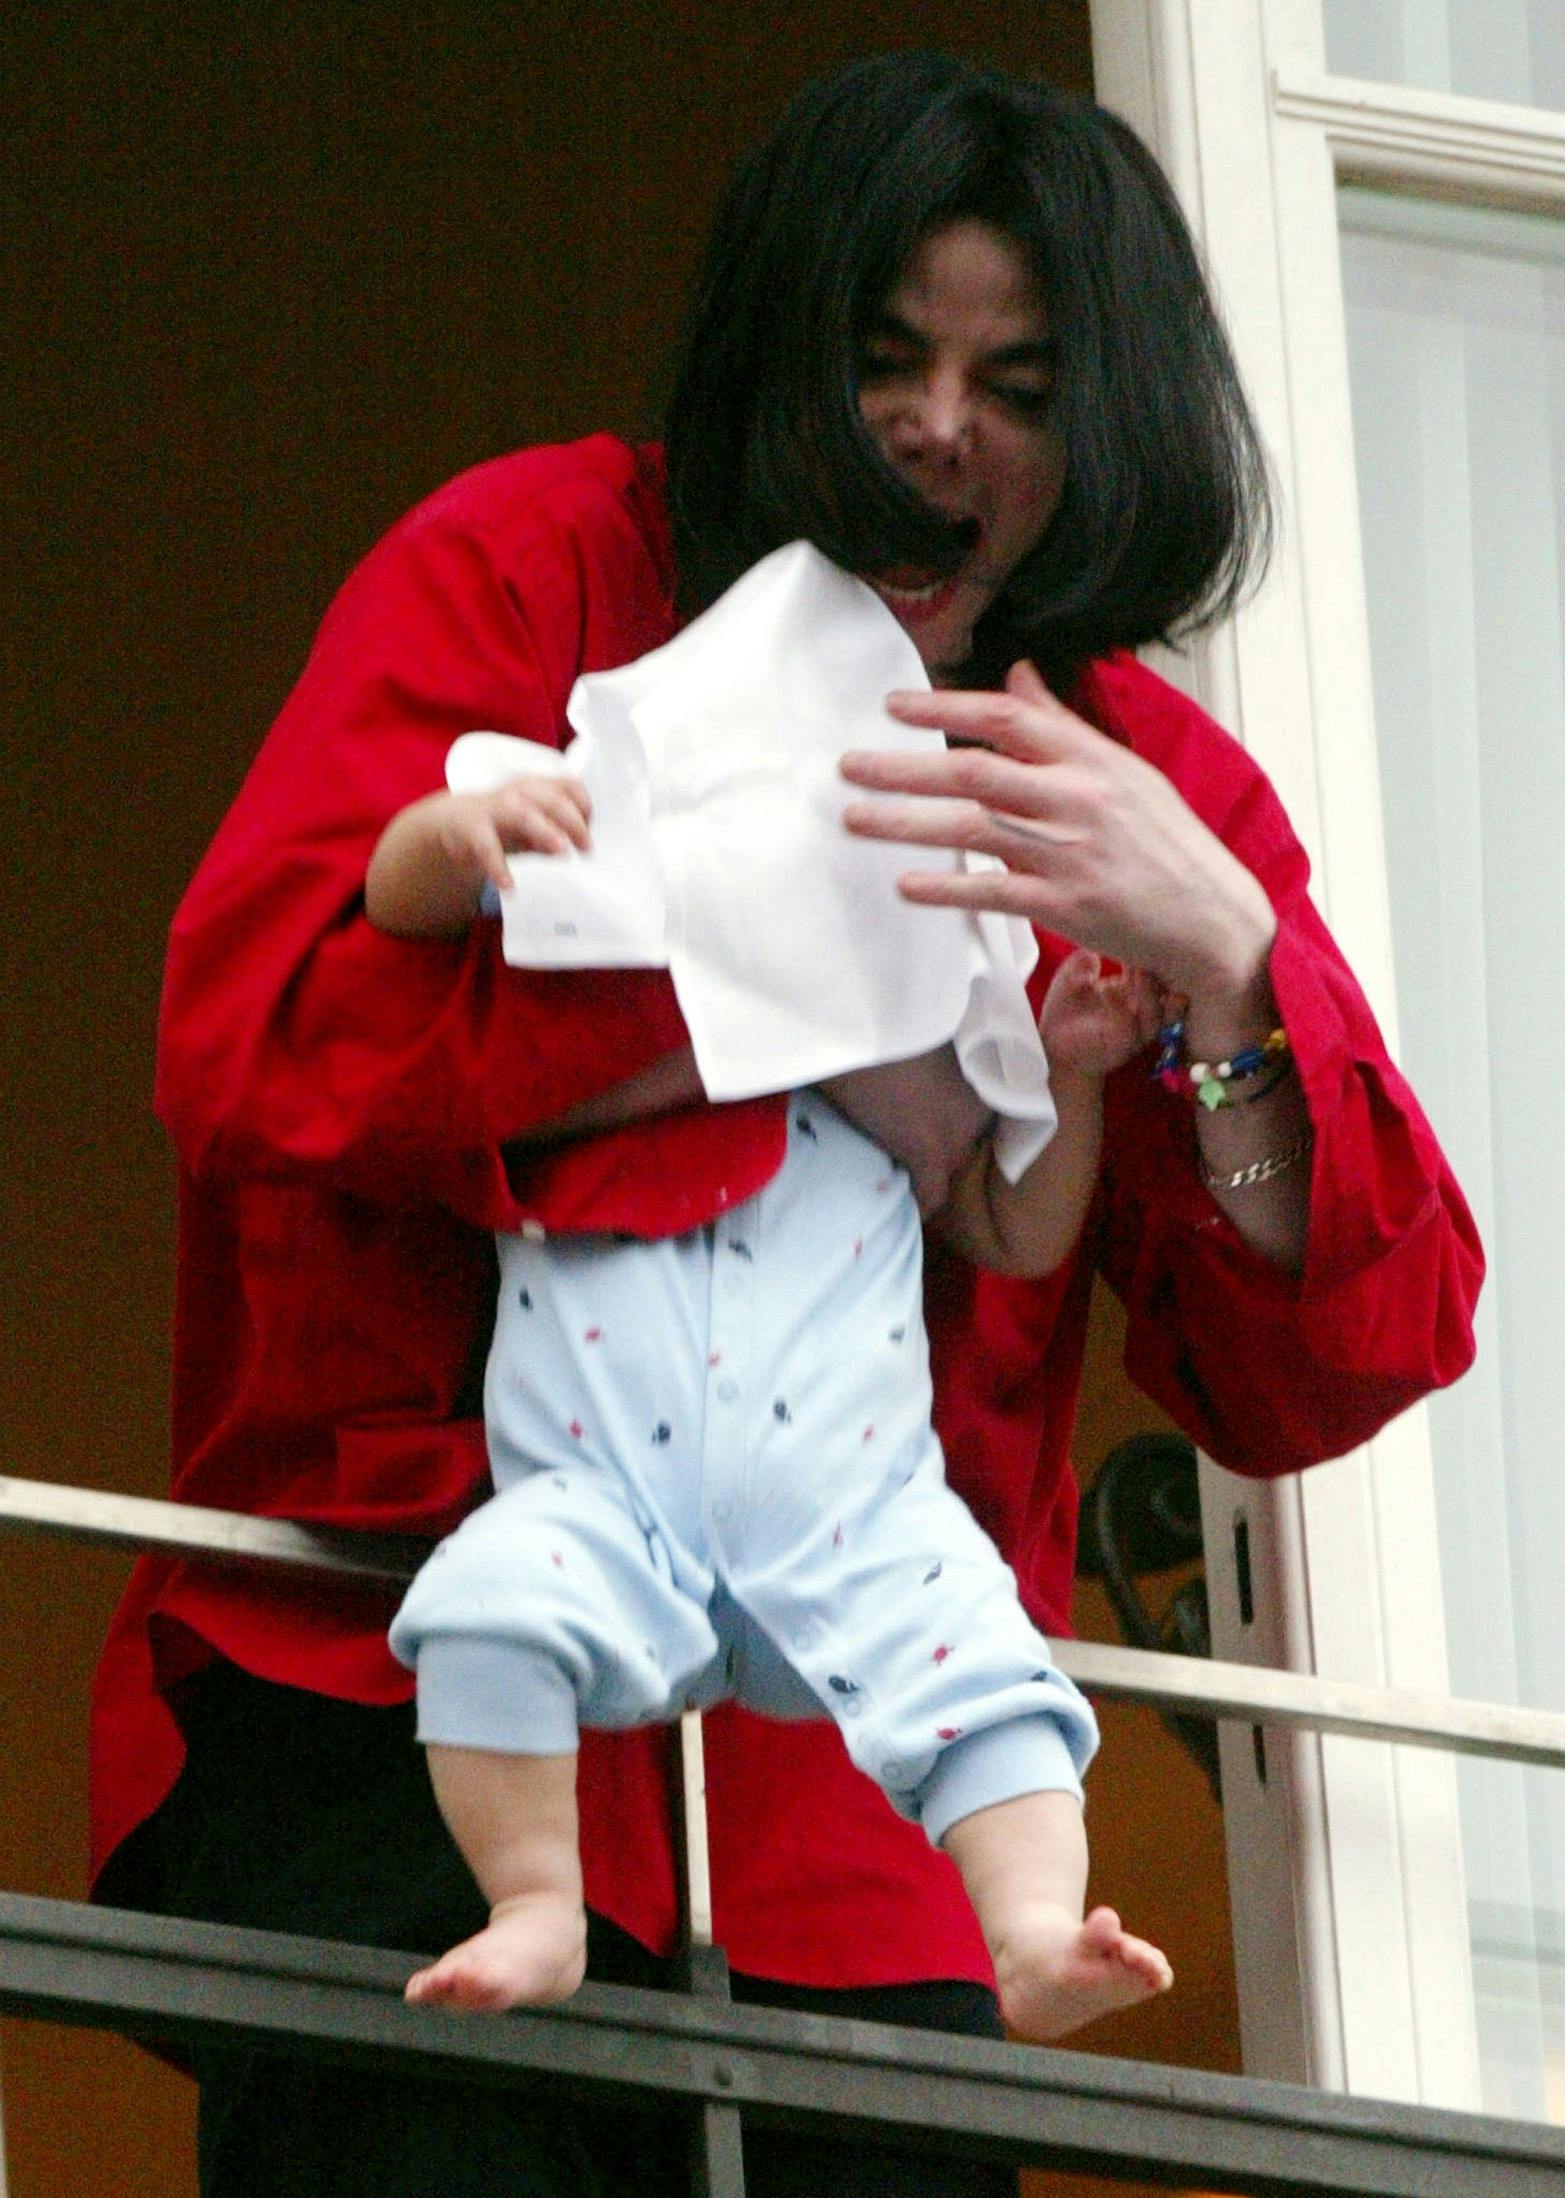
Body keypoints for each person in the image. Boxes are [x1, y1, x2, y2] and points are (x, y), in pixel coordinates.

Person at [89, 51, 1483, 2198]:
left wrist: (1219, 964)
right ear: (785, 355)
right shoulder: (534, 566)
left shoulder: (1121, 773)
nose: (940, 429)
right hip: (424, 1711)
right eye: (885, 358)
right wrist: (782, 986)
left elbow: (1341, 1348)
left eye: (1015, 381)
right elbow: (255, 1043)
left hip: (867, 1810)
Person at [364, 733, 1171, 2033]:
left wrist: (1064, 1064)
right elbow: (399, 911)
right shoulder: (603, 953)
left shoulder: (897, 1045)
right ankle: (534, 1899)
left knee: (992, 1670)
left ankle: (1026, 1930)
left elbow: (1014, 1229)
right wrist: (447, 833)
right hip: (601, 1499)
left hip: (852, 1505)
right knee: (481, 1609)